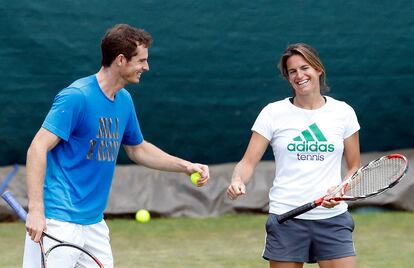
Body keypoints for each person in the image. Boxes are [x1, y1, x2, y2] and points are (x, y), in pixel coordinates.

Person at [23, 24, 210, 267]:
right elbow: (37, 148)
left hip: (94, 224)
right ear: (121, 60)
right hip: (58, 220)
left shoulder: (124, 100)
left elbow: (137, 148)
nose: (147, 67)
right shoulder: (76, 96)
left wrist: (186, 166)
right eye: (141, 60)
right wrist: (36, 210)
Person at [226, 43, 360, 268]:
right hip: (286, 218)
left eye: (305, 67)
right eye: (292, 71)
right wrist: (237, 180)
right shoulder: (272, 113)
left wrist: (340, 191)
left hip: (333, 219)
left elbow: (354, 167)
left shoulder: (344, 113)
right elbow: (247, 162)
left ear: (318, 69)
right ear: (288, 78)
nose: (299, 75)